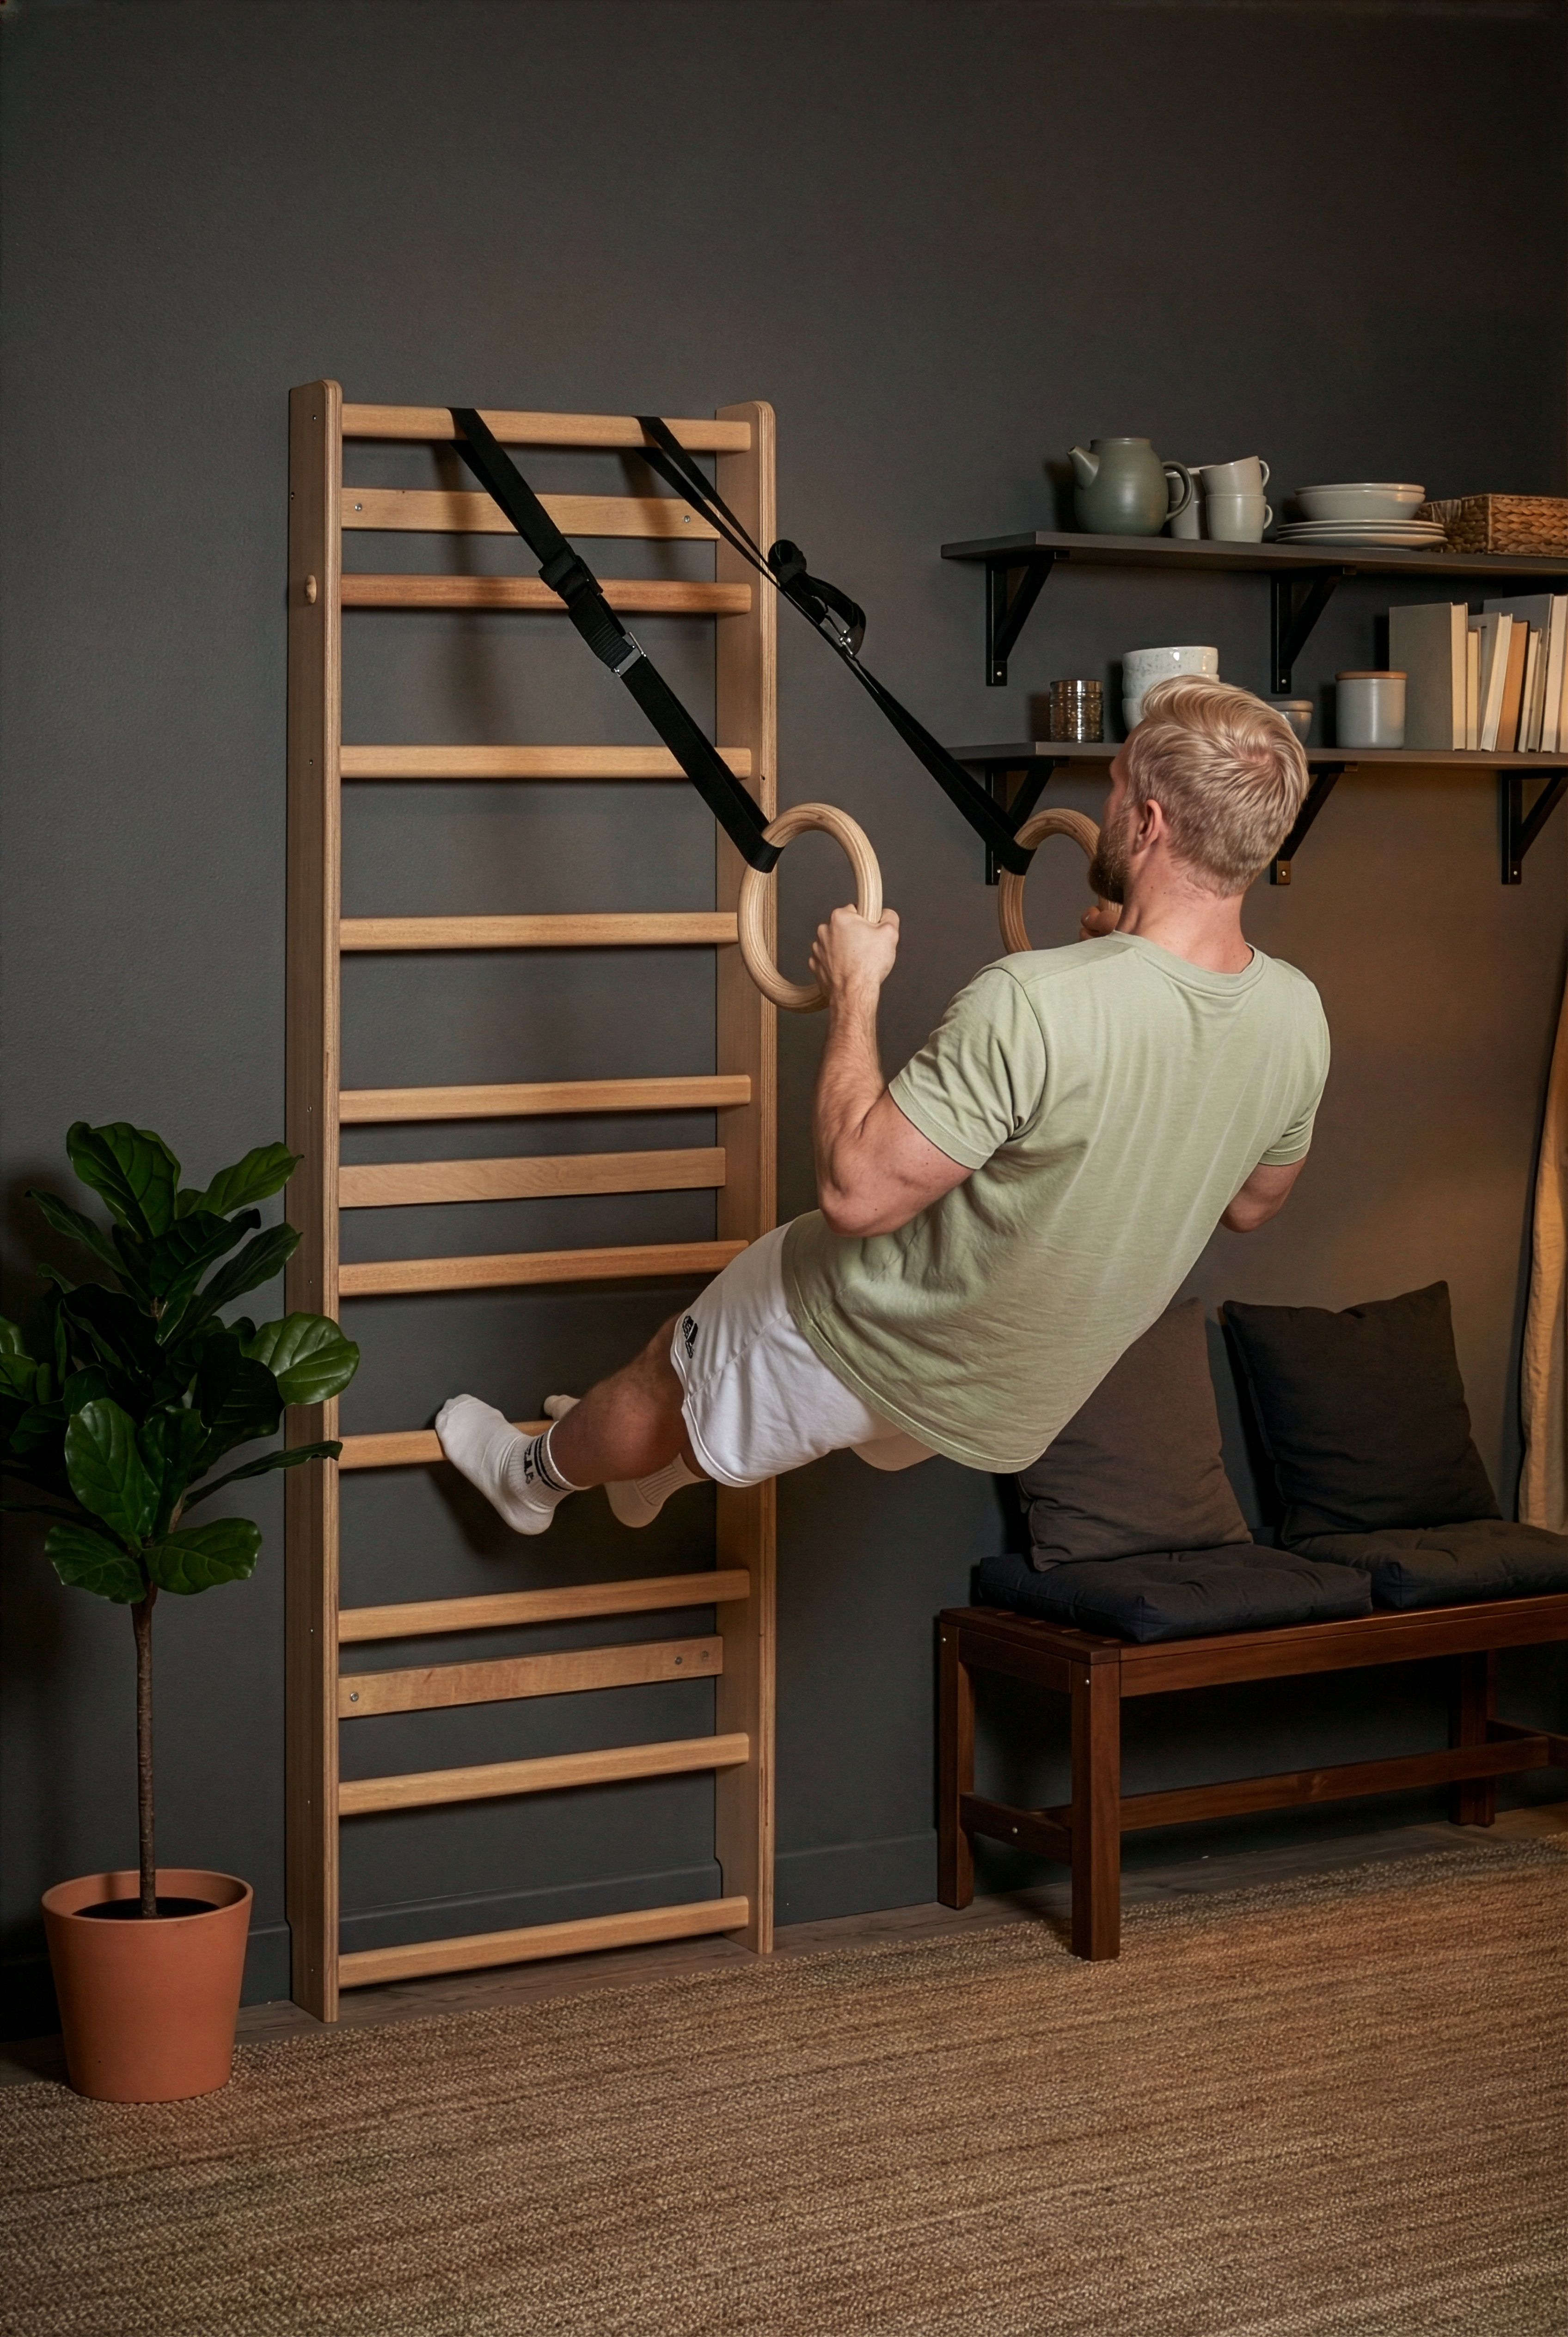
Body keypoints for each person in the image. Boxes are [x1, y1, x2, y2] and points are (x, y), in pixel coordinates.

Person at [435, 675, 1328, 1535]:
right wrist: (1122, 956)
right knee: (733, 1397)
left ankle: (533, 1480)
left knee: (672, 1367)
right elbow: (1252, 1203)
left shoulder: (1035, 1001)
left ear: (1149, 822)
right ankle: (660, 1468)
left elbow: (856, 1196)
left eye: (1116, 786)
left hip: (879, 1336)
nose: (1103, 804)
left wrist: (855, 990)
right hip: (1006, 1400)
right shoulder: (1297, 1016)